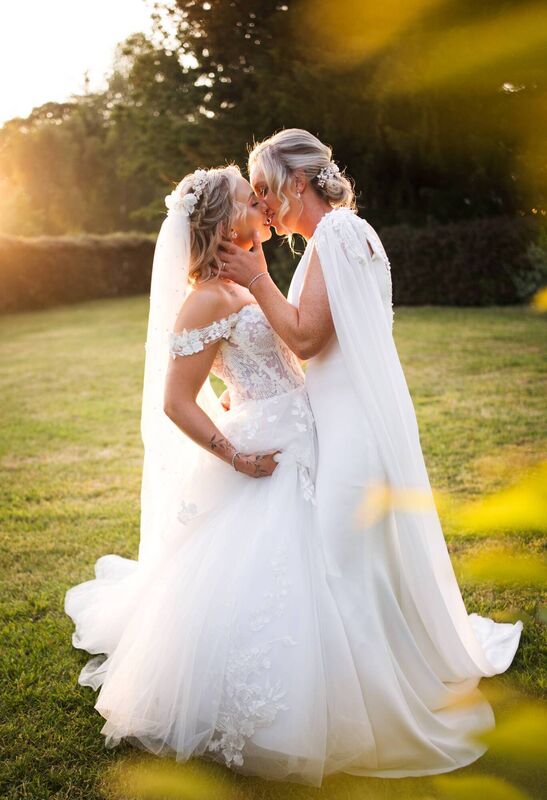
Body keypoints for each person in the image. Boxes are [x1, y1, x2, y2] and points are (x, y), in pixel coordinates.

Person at [218, 129, 524, 778]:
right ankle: (369, 690)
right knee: (355, 561)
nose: (263, 203)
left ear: (297, 183)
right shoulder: (333, 239)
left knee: (343, 561)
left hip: (355, 431)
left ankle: (381, 713)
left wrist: (256, 276)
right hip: (339, 422)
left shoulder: (335, 236)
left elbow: (303, 336)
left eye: (267, 188)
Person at [64, 165, 378, 787]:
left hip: (304, 431)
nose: (261, 203)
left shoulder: (252, 279)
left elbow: (288, 346)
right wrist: (236, 455)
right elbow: (176, 401)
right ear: (220, 221)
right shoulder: (205, 298)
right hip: (264, 457)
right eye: (247, 197)